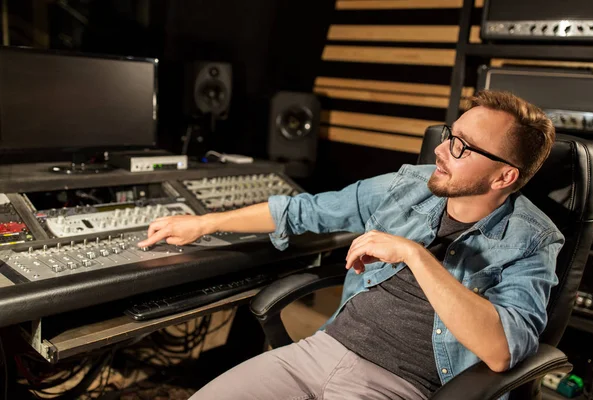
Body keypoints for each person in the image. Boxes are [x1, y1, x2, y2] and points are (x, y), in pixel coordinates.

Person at [137, 90, 562, 400]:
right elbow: (302, 210)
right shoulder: (408, 185)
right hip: (321, 350)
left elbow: (503, 350)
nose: (440, 149)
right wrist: (203, 223)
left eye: (462, 147)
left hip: (401, 385)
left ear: (504, 176)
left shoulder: (532, 239)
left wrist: (414, 255)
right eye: (452, 133)